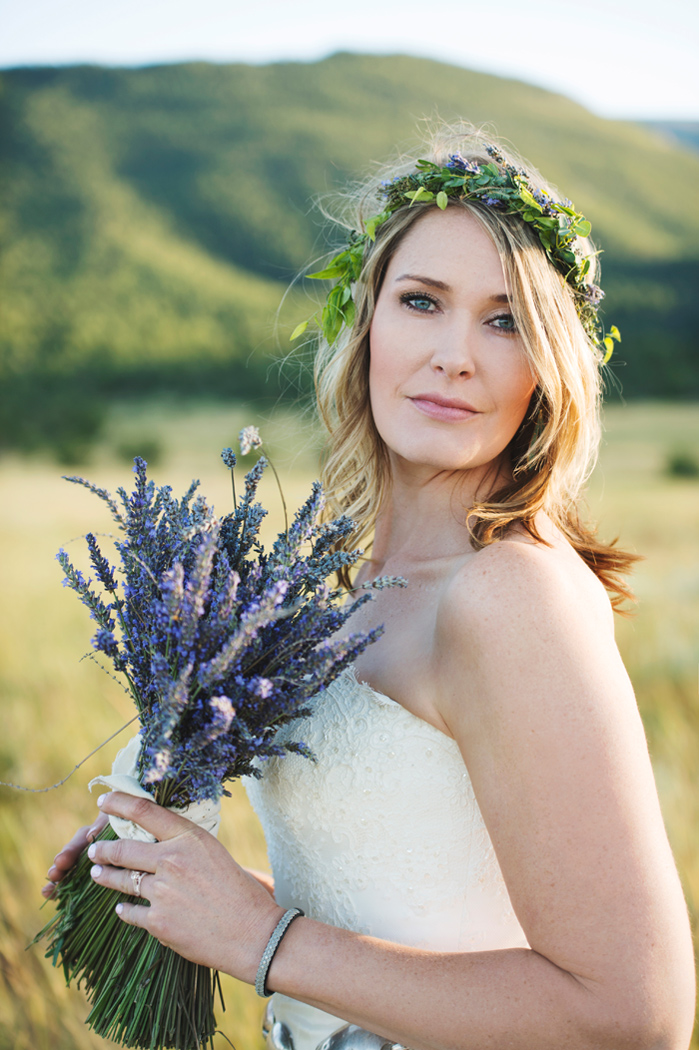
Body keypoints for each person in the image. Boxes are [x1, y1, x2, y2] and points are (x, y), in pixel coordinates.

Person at [43, 126, 695, 1050]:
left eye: (505, 320)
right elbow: (403, 916)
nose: (455, 354)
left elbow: (635, 1015)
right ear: (366, 321)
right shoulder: (345, 590)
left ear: (548, 368)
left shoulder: (510, 595)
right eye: (422, 301)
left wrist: (258, 937)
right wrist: (184, 882)